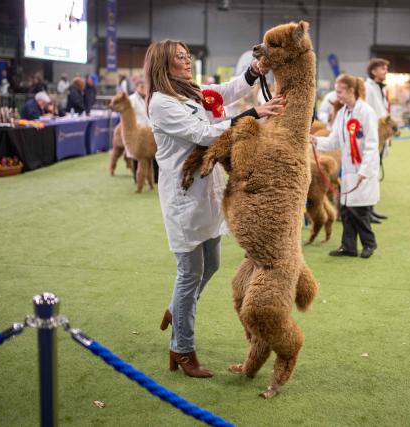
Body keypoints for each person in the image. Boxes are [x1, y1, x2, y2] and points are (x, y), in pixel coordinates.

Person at [145, 39, 284, 378]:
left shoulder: (192, 92)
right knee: (190, 273)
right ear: (164, 64)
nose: (187, 60)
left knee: (213, 264)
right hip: (185, 197)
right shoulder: (162, 103)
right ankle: (182, 348)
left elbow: (224, 91)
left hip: (208, 192)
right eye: (180, 57)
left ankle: (175, 310)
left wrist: (253, 72)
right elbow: (203, 133)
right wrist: (253, 115)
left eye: (187, 55)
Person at [313, 74, 379, 259]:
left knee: (360, 210)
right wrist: (315, 141)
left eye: (340, 92)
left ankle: (369, 243)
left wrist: (365, 170)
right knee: (347, 210)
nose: (337, 96)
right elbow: (335, 140)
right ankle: (348, 246)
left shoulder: (366, 112)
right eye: (337, 91)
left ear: (351, 91)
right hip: (349, 168)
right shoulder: (343, 114)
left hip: (363, 169)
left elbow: (372, 144)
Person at [364, 57, 391, 223]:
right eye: (382, 69)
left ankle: (370, 208)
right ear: (374, 71)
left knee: (374, 173)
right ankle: (366, 210)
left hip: (381, 136)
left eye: (386, 69)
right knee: (369, 173)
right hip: (372, 136)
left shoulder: (380, 89)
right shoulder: (368, 88)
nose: (385, 71)